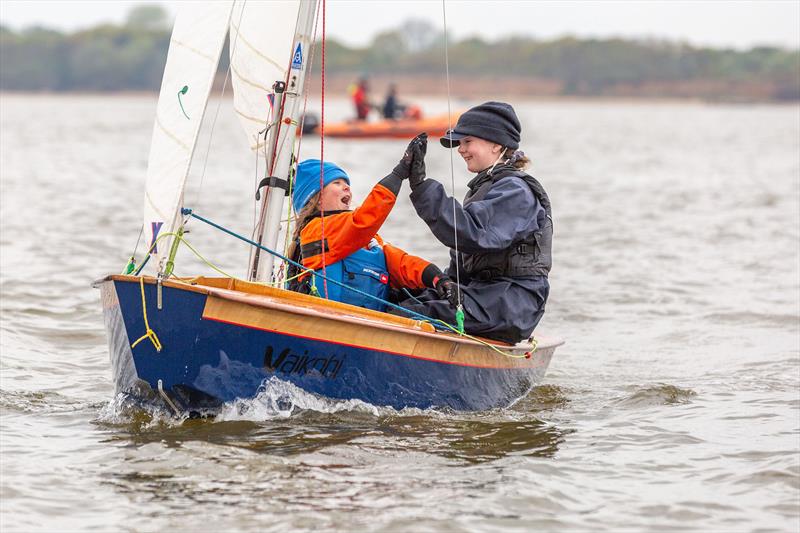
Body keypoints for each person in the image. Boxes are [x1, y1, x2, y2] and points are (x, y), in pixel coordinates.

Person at [398, 101, 553, 344]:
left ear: (497, 145)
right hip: (483, 296)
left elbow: (473, 233)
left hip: (511, 304)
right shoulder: (486, 189)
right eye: (460, 143)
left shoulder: (516, 191)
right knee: (400, 299)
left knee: (409, 314)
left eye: (467, 141)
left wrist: (420, 186)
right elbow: (462, 267)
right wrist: (439, 284)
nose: (460, 149)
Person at [286, 140, 456, 312]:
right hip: (329, 322)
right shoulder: (315, 230)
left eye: (347, 184)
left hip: (370, 325)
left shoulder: (370, 241)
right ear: (317, 198)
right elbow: (363, 220)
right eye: (337, 183)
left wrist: (438, 278)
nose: (346, 188)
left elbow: (401, 263)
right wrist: (398, 174)